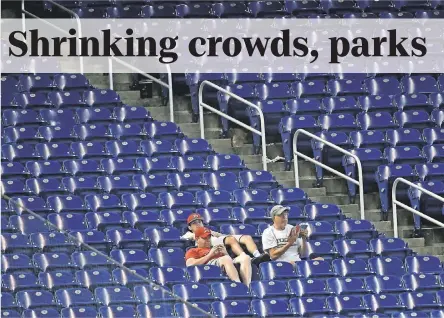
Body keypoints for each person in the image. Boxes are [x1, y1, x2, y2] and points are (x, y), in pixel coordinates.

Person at [180, 213, 270, 265]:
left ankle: (258, 256)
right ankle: (247, 258)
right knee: (230, 239)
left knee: (247, 237)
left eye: (199, 222)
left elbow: (221, 235)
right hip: (212, 242)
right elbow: (183, 239)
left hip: (216, 237)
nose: (198, 224)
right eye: (194, 223)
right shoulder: (189, 234)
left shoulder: (209, 231)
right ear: (190, 227)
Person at [185, 227, 252, 286]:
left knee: (245, 257)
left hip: (223, 262)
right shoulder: (192, 250)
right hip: (208, 267)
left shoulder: (214, 247)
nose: (208, 240)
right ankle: (238, 284)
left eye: (209, 237)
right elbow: (190, 264)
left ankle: (247, 286)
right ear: (197, 239)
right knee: (225, 258)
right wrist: (210, 254)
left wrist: (225, 252)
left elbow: (230, 262)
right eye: (204, 238)